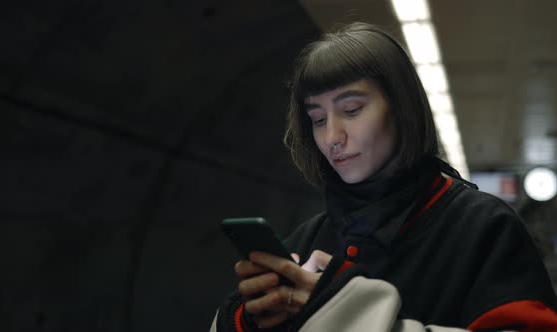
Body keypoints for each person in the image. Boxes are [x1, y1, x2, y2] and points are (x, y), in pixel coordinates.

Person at [210, 22, 557, 331]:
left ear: (402, 107)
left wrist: (349, 312)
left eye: (351, 110)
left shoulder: (483, 227)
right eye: (317, 119)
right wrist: (253, 318)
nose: (332, 137)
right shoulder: (308, 238)